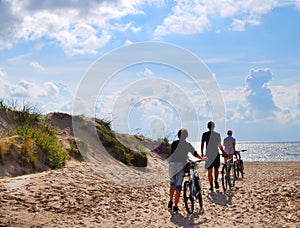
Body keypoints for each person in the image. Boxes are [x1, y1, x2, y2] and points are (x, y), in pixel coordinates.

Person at [168, 128, 201, 213]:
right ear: (186, 136)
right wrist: (202, 158)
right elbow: (195, 154)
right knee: (178, 187)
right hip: (180, 165)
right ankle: (175, 206)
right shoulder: (187, 145)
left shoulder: (174, 143)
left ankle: (170, 201)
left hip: (172, 164)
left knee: (172, 184)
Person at [201, 121, 226, 191]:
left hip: (208, 154)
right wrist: (223, 152)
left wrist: (202, 153)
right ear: (214, 127)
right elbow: (219, 145)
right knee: (216, 169)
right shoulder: (217, 134)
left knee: (209, 171)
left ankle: (211, 185)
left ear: (207, 127)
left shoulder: (205, 134)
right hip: (215, 153)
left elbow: (202, 144)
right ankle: (215, 181)